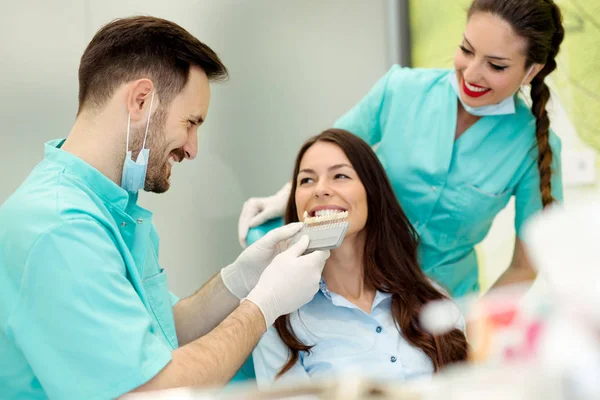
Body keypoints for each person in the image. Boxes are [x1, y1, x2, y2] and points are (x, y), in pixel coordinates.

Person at [0, 16, 330, 400]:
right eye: (190, 122)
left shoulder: (113, 209)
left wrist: (240, 280)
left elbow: (156, 333)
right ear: (141, 100)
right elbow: (150, 389)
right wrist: (263, 305)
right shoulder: (60, 229)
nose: (192, 148)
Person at [238, 0, 566, 297]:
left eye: (496, 66)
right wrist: (285, 196)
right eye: (466, 50)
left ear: (531, 71)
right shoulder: (400, 90)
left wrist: (473, 326)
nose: (471, 73)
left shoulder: (532, 147)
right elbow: (328, 154)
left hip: (447, 301)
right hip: (362, 288)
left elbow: (526, 264)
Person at [252, 129, 467, 387]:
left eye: (340, 175)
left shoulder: (432, 300)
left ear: (372, 193)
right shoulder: (278, 321)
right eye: (307, 180)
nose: (320, 190)